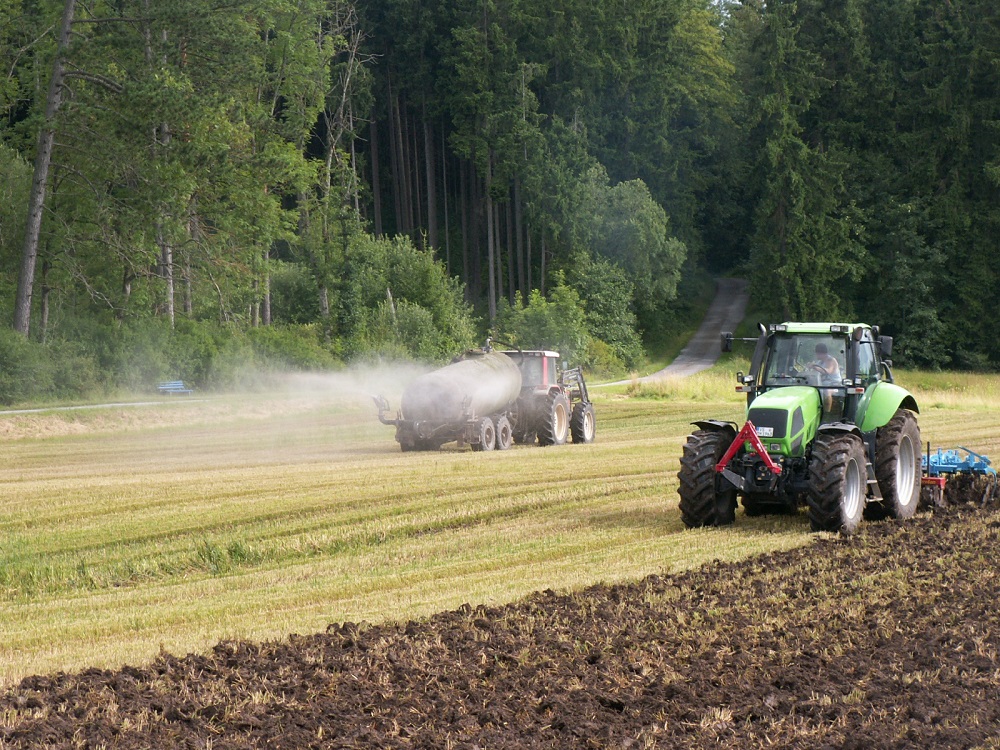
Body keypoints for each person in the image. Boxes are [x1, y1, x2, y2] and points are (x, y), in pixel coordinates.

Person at [811, 343, 841, 414]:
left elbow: (828, 371)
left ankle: (826, 413)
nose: (816, 355)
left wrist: (814, 367)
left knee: (827, 391)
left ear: (821, 353)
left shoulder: (831, 360)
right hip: (823, 384)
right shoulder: (820, 362)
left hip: (834, 384)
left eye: (817, 353)